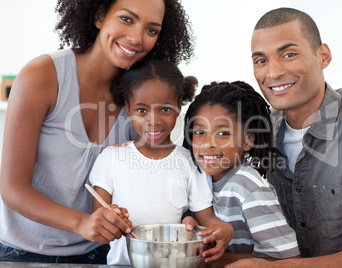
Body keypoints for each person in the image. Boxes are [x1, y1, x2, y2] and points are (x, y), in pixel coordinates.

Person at [0, 0, 194, 264]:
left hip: (103, 255)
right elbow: (12, 188)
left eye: (152, 30)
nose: (136, 38)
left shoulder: (140, 102)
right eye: (127, 19)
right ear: (99, 15)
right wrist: (82, 222)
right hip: (22, 255)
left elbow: (162, 177)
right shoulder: (42, 76)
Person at [227, 7, 342, 268]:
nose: (273, 73)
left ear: (323, 56)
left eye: (288, 54)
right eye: (261, 60)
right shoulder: (259, 134)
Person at [89, 60, 234, 265]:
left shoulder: (190, 161)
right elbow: (98, 216)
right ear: (128, 108)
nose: (154, 121)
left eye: (165, 109)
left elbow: (206, 218)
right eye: (141, 110)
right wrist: (111, 218)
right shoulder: (111, 159)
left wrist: (224, 228)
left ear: (178, 106)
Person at [182, 81, 300, 267]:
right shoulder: (197, 176)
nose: (208, 143)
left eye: (223, 133)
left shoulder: (247, 185)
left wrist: (210, 259)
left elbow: (287, 260)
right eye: (199, 131)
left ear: (248, 140)